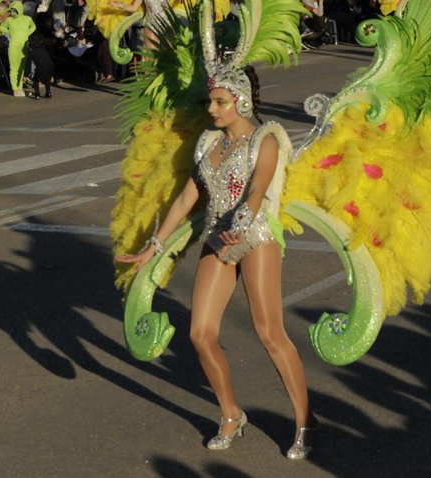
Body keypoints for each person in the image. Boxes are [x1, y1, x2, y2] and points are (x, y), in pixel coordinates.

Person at [117, 65, 316, 460]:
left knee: (269, 332)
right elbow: (186, 199)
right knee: (200, 333)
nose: (211, 108)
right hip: (216, 237)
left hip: (255, 236)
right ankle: (230, 414)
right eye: (211, 100)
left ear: (241, 102)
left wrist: (241, 226)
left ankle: (305, 421)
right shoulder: (209, 145)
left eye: (220, 102)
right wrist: (154, 246)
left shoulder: (265, 140)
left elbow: (257, 189)